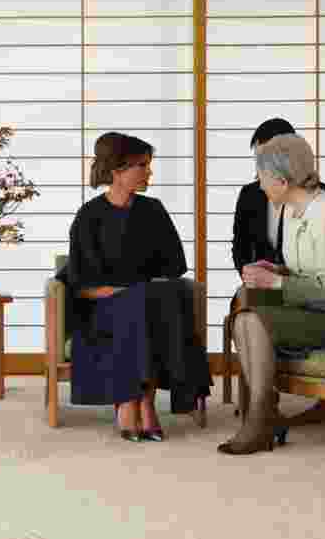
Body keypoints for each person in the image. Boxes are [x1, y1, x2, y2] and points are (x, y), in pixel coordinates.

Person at [60, 132, 212, 442]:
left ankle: (137, 401)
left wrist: (140, 294)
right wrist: (128, 294)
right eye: (141, 165)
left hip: (150, 304)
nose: (148, 172)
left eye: (148, 165)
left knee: (160, 299)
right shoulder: (89, 217)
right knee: (141, 303)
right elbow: (82, 286)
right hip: (102, 309)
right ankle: (138, 402)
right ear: (116, 170)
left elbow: (173, 269)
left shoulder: (153, 211)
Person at [219, 134, 325, 455]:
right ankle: (264, 413)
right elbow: (306, 272)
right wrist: (278, 270)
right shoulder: (292, 210)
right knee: (241, 319)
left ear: (282, 181)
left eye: (262, 178)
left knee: (252, 321)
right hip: (309, 309)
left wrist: (275, 283)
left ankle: (261, 419)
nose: (259, 185)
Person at [231, 118, 325, 272]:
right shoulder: (250, 194)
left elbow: (324, 261)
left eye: (264, 159)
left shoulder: (317, 197)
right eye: (257, 159)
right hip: (260, 284)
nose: (259, 168)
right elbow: (239, 246)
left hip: (303, 287)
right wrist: (249, 276)